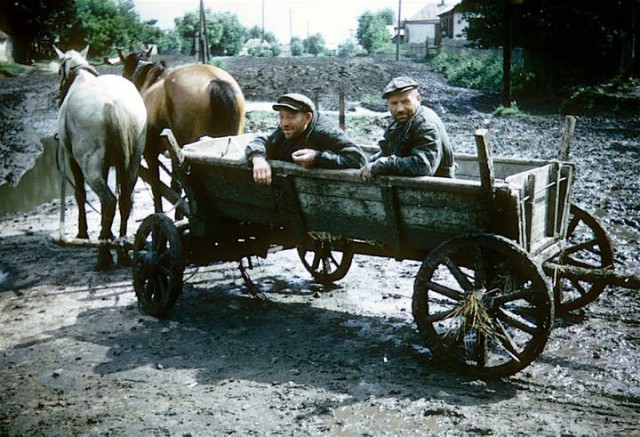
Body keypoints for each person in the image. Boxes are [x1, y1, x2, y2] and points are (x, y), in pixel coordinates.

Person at [245, 93, 367, 185]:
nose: (284, 123)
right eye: (281, 117)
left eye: (291, 116)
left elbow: (358, 159)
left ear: (308, 117)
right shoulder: (287, 128)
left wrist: (317, 157)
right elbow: (261, 141)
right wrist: (258, 158)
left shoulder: (326, 132)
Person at [360, 76, 455, 181]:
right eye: (394, 103)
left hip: (436, 191)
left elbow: (423, 165)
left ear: (418, 99)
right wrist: (370, 162)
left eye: (406, 101)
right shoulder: (402, 121)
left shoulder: (426, 125)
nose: (400, 109)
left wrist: (382, 164)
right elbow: (389, 152)